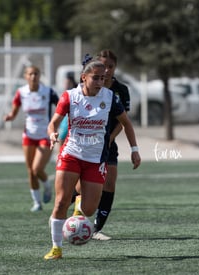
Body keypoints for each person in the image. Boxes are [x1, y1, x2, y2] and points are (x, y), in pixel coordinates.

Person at [44, 56, 141, 260]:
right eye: (95, 78)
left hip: (96, 158)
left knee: (88, 209)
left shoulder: (110, 97)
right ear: (83, 77)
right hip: (71, 153)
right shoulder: (69, 97)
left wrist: (134, 149)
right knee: (61, 201)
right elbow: (53, 122)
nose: (100, 82)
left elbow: (126, 123)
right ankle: (56, 248)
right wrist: (53, 133)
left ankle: (79, 208)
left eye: (103, 78)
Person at [4, 65, 59, 212]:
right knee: (30, 171)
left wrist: (59, 124)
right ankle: (37, 203)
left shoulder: (47, 92)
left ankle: (47, 185)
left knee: (37, 169)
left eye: (36, 73)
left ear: (39, 76)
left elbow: (61, 107)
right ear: (25, 76)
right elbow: (14, 112)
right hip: (28, 135)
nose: (33, 76)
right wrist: (9, 117)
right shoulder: (21, 92)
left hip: (45, 135)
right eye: (30, 74)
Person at [91, 49, 131, 240]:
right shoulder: (88, 86)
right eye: (103, 66)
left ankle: (97, 229)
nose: (106, 71)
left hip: (108, 142)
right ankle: (69, 216)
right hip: (86, 143)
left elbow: (124, 122)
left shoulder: (121, 91)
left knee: (109, 181)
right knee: (83, 187)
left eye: (110, 67)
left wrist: (110, 138)